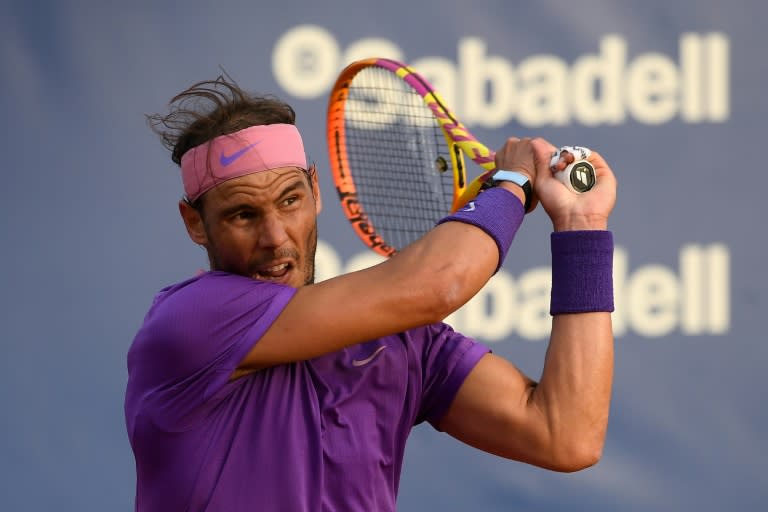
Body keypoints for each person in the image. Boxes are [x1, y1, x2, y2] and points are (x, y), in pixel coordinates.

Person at [124, 75, 617, 511]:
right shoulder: (187, 322)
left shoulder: (403, 343)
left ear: (315, 192)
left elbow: (566, 435)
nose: (275, 236)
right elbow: (441, 282)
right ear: (195, 223)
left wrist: (582, 226)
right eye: (243, 215)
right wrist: (511, 185)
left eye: (290, 200)